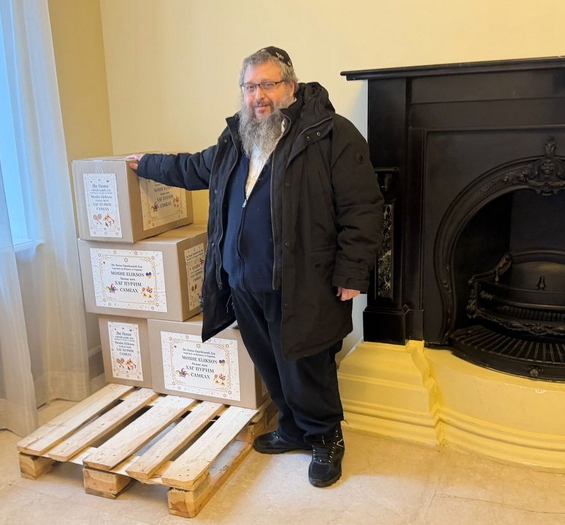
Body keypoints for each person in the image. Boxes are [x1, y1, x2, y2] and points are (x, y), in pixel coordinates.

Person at [127, 46, 383, 487]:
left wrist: (352, 272)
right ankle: (293, 429)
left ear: (291, 87)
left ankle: (325, 438)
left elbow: (362, 207)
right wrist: (146, 164)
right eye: (249, 87)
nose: (257, 96)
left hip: (303, 281)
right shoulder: (238, 138)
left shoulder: (331, 135)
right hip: (243, 280)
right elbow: (195, 168)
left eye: (268, 84)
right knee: (270, 363)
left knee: (306, 365)